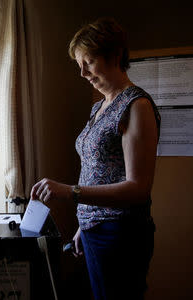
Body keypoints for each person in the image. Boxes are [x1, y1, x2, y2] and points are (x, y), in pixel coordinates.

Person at [30, 17, 161, 300]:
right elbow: (96, 170)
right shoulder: (98, 107)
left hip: (121, 233)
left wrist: (69, 192)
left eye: (88, 62)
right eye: (79, 64)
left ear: (114, 55)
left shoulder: (136, 106)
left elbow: (138, 188)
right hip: (95, 228)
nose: (82, 72)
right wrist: (84, 225)